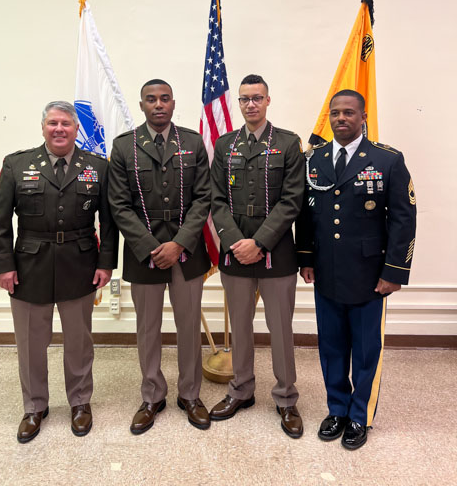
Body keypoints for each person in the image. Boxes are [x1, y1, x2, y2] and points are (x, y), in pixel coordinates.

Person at [0, 101, 118, 443]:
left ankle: (79, 403)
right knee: (31, 343)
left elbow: (109, 220)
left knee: (79, 342)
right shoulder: (17, 165)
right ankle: (34, 406)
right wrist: (3, 266)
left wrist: (106, 262)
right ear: (43, 127)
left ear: (77, 129)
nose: (59, 129)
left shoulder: (97, 167)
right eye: (52, 123)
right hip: (29, 266)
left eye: (65, 123)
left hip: (80, 264)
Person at [297, 89, 417, 450]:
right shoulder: (314, 159)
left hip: (370, 274)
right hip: (327, 270)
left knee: (365, 350)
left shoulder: (387, 160)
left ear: (363, 117)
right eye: (335, 113)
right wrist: (305, 258)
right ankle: (337, 408)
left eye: (349, 113)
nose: (341, 119)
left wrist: (394, 271)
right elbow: (306, 213)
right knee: (332, 347)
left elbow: (403, 219)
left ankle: (360, 416)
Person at [108, 79, 211, 434]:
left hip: (187, 253)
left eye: (164, 98)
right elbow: (119, 206)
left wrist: (179, 243)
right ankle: (152, 395)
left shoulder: (192, 142)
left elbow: (203, 199)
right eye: (151, 99)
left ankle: (190, 395)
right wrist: (153, 247)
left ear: (172, 103)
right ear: (141, 105)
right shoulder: (123, 147)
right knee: (148, 330)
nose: (158, 105)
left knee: (188, 328)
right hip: (144, 254)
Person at [209, 74, 305, 438]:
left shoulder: (287, 143)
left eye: (257, 98)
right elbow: (216, 200)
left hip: (276, 251)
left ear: (268, 101)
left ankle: (285, 398)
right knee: (240, 326)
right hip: (235, 252)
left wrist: (259, 243)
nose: (251, 104)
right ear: (239, 102)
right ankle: (241, 391)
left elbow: (292, 200)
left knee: (280, 329)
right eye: (245, 99)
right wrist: (236, 241)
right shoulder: (224, 145)